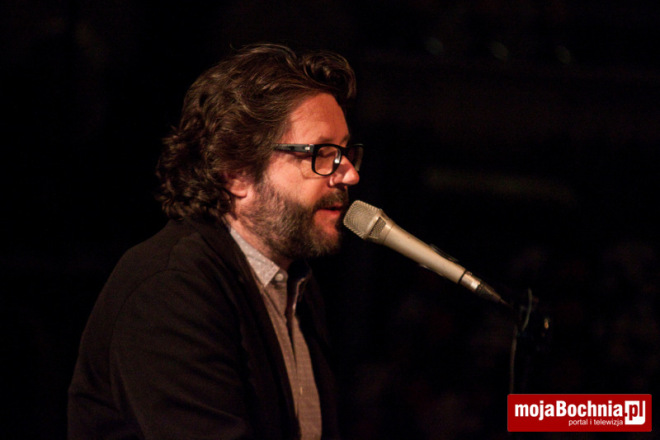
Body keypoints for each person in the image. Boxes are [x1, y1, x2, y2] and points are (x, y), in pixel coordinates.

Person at [68, 43, 363, 440]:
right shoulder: (169, 288)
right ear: (236, 172)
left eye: (346, 152)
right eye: (323, 153)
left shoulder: (297, 287)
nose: (349, 174)